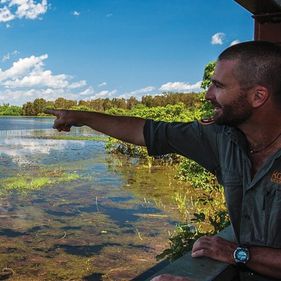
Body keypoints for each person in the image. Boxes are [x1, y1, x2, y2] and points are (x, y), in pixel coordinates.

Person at [46, 41, 281, 281]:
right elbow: (148, 132)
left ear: (258, 96)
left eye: (218, 86)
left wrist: (240, 254)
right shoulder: (222, 138)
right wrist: (80, 117)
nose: (208, 94)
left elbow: (242, 254)